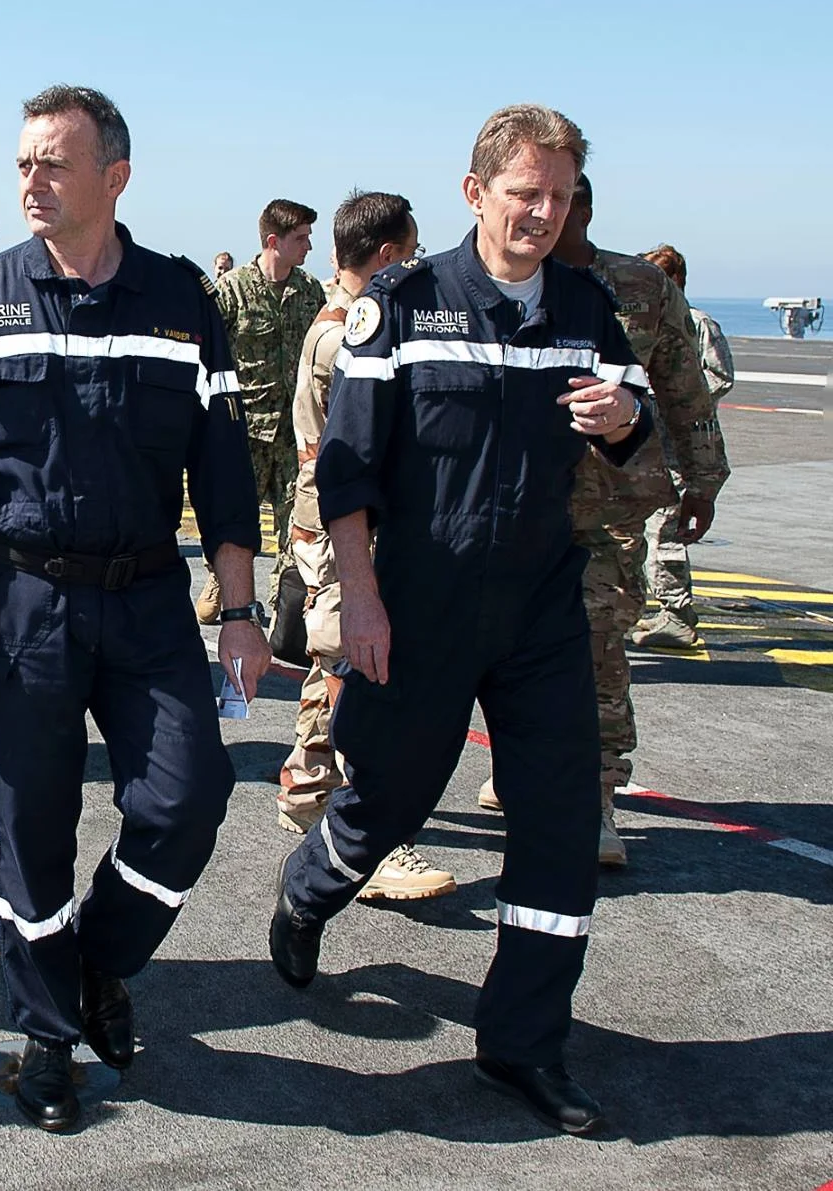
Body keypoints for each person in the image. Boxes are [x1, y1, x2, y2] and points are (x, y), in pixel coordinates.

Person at [270, 105, 650, 1138]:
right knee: (383, 805)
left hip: (538, 608)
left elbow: (634, 412)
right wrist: (359, 602)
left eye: (558, 195)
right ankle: (310, 888)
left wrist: (624, 419)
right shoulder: (399, 303)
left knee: (561, 825)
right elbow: (343, 470)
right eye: (523, 191)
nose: (540, 212)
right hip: (418, 604)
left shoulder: (584, 307)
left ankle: (521, 1043)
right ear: (474, 190)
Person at [0, 86, 267, 1133]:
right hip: (17, 601)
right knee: (33, 831)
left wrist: (238, 610)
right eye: (21, 164)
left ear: (114, 176)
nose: (30, 183)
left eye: (53, 164)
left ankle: (98, 962)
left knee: (186, 796)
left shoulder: (181, 297)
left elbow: (224, 469)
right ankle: (48, 1035)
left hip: (148, 596)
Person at [537, 179, 727, 867]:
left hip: (611, 510)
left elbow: (683, 384)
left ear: (585, 208)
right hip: (517, 509)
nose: (549, 217)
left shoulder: (640, 287)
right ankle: (522, 769)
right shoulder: (508, 283)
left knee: (597, 650)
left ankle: (596, 802)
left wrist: (703, 477)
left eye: (563, 203)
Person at [277, 190, 455, 901]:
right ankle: (371, 835)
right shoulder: (351, 328)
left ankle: (307, 784)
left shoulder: (338, 318)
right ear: (387, 257)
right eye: (410, 254)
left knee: (334, 657)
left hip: (336, 518)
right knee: (357, 663)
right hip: (339, 524)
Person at [195, 200, 326, 626]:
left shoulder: (310, 291)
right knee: (235, 520)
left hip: (294, 433)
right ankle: (224, 584)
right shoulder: (232, 290)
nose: (309, 246)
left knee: (298, 525)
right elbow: (208, 355)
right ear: (274, 242)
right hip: (244, 429)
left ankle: (286, 609)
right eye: (300, 238)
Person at [631, 244, 733, 650]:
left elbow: (718, 377)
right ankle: (648, 605)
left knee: (666, 532)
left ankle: (677, 613)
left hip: (674, 447)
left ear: (676, 281)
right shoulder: (643, 319)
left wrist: (672, 395)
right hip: (640, 443)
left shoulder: (697, 323)